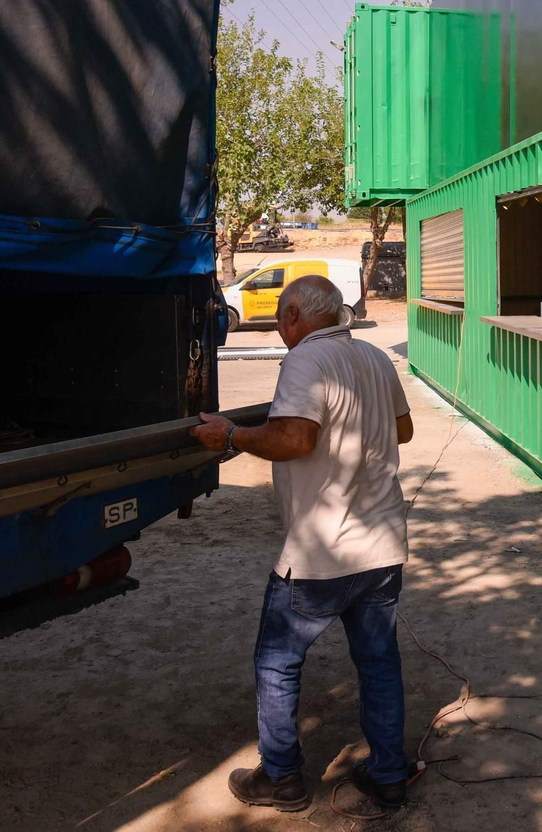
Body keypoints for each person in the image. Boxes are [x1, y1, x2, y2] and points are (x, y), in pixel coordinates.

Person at [191, 273, 415, 814]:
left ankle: (282, 777)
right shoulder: (376, 357)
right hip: (382, 545)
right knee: (379, 662)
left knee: (277, 662)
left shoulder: (305, 360)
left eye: (281, 320)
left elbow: (295, 439)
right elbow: (403, 430)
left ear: (292, 317)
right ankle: (388, 774)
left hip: (323, 552)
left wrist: (229, 436)